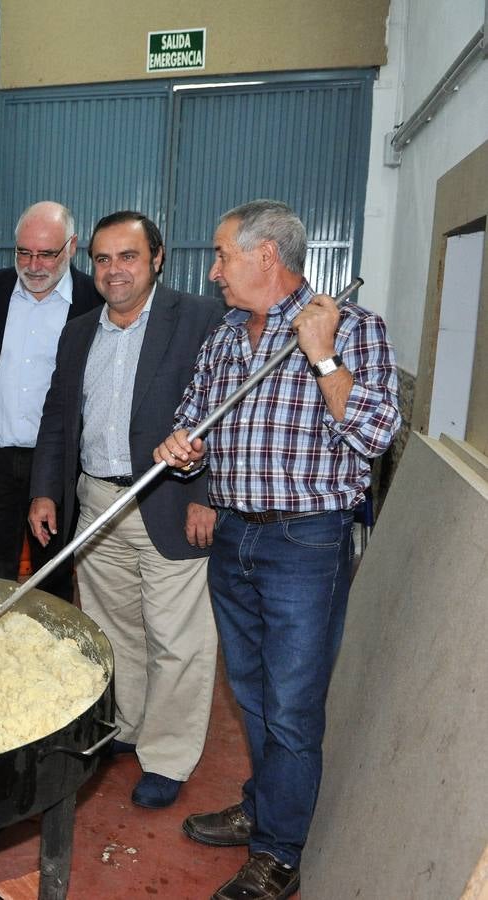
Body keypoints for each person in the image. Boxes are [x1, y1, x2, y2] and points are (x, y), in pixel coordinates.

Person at [154, 200, 400, 900]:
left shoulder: (352, 328)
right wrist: (182, 449)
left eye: (221, 255)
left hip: (305, 542)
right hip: (233, 533)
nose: (212, 271)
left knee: (292, 705)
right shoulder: (226, 334)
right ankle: (265, 807)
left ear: (266, 257)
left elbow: (377, 434)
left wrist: (321, 355)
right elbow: (192, 418)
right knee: (253, 694)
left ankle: (279, 851)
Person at [28, 211, 223, 810]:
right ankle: (130, 727)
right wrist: (44, 490)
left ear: (156, 258)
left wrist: (205, 495)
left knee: (177, 639)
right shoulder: (80, 329)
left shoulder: (199, 319)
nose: (115, 270)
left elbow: (226, 414)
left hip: (168, 502)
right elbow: (60, 415)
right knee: (114, 630)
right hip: (95, 504)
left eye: (129, 256)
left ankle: (167, 756)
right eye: (104, 258)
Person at [0, 201, 102, 593]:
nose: (33, 265)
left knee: (54, 572)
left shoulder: (93, 301)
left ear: (71, 246)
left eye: (47, 254)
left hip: (60, 464)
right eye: (23, 252)